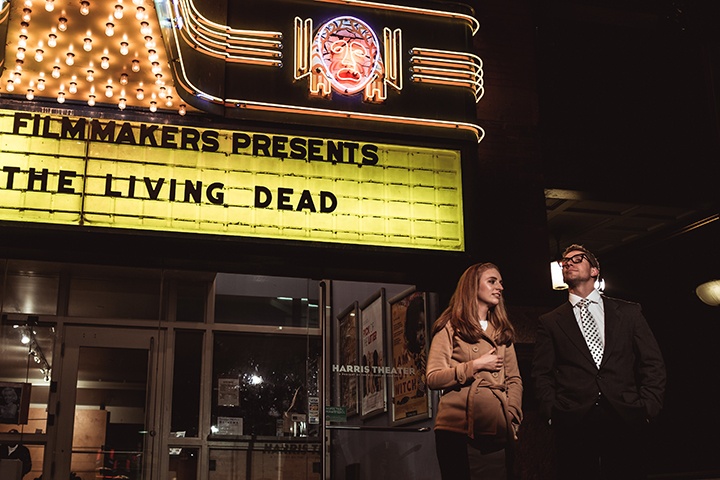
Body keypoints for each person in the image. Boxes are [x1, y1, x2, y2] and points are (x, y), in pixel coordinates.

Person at [531, 244, 666, 480]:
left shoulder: (629, 312)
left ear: (594, 270)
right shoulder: (550, 321)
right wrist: (551, 412)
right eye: (565, 262)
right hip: (574, 418)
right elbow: (541, 372)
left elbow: (652, 362)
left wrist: (648, 407)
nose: (568, 263)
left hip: (624, 414)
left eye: (577, 259)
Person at [427, 263, 523, 480]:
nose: (499, 287)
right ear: (472, 287)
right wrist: (476, 365)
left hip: (496, 427)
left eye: (500, 282)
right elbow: (433, 377)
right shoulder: (450, 327)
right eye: (492, 281)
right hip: (456, 428)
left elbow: (514, 379)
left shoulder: (501, 332)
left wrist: (511, 416)